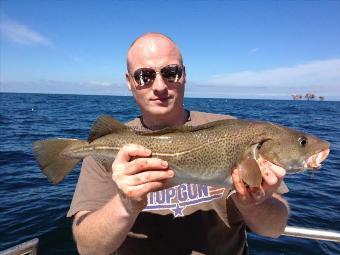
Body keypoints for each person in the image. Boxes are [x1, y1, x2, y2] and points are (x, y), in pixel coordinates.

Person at [68, 33, 289, 255]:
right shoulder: (105, 148)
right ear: (129, 82)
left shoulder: (236, 132)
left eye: (170, 72)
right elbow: (88, 248)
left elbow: (275, 229)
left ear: (184, 75)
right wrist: (125, 204)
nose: (160, 86)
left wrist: (254, 204)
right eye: (144, 76)